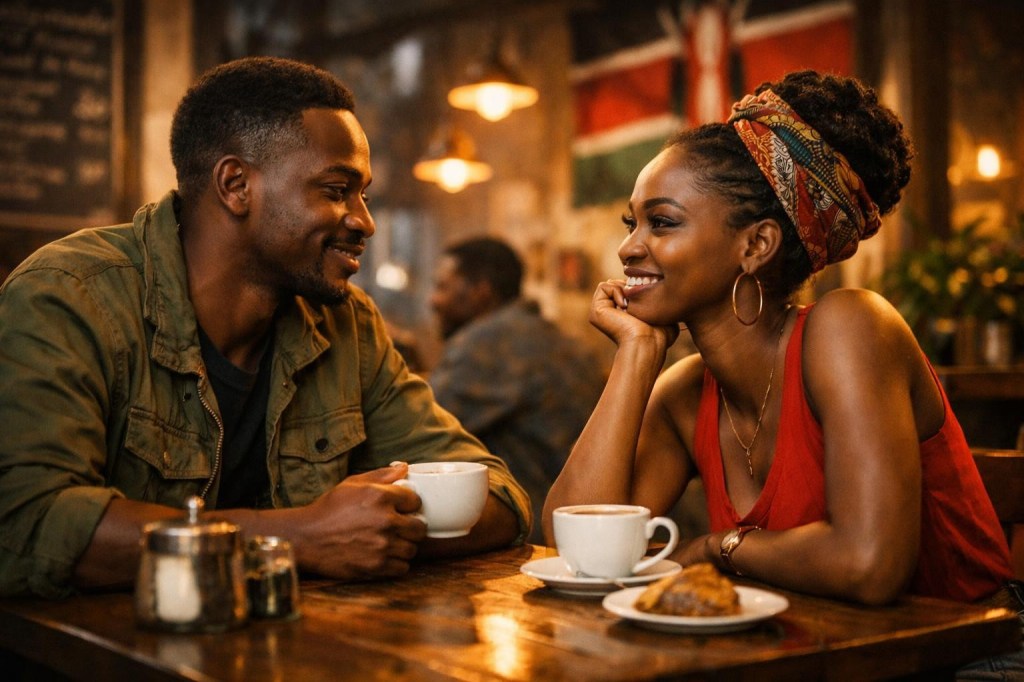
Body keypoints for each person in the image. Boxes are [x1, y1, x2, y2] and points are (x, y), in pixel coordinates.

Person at [0, 56, 530, 599]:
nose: (364, 221)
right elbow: (27, 525)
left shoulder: (348, 325)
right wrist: (299, 539)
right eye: (335, 190)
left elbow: (499, 495)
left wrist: (370, 533)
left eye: (363, 194)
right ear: (236, 186)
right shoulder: (69, 295)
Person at [543, 70, 1023, 667]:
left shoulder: (851, 329)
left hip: (969, 660)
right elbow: (577, 548)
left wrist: (720, 547)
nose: (628, 248)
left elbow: (869, 566)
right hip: (809, 657)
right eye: (631, 223)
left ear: (757, 245)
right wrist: (636, 355)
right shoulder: (685, 392)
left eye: (661, 222)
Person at [429, 237, 605, 544]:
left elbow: (417, 428)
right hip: (594, 522)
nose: (434, 300)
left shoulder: (486, 343)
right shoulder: (550, 335)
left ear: (480, 291)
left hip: (543, 533)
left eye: (443, 287)